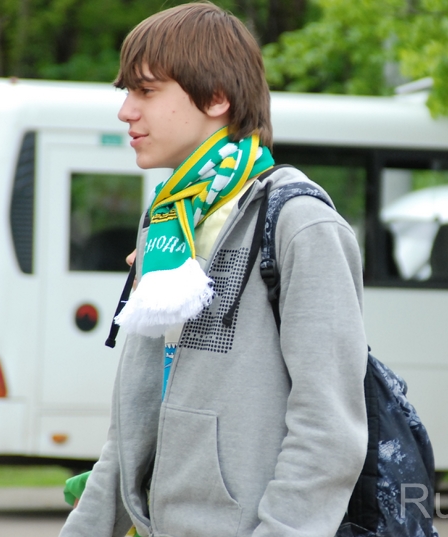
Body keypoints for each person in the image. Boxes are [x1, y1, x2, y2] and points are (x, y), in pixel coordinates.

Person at [59, 3, 368, 536]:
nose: (126, 111)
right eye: (126, 92)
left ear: (217, 97)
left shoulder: (299, 223)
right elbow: (131, 430)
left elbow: (329, 431)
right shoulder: (167, 222)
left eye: (146, 91)